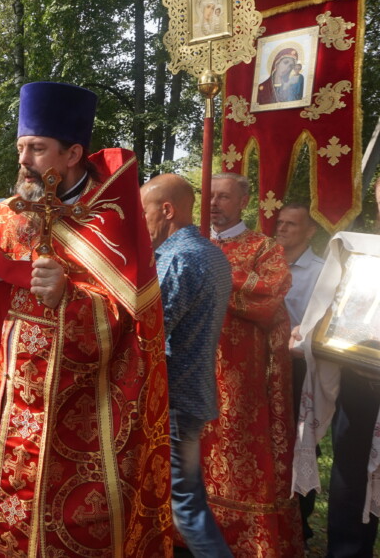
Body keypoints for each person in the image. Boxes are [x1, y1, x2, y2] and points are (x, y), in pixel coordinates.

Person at [0, 82, 171, 556]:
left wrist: (70, 299)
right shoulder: (14, 213)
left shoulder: (110, 219)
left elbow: (137, 322)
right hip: (16, 402)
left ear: (73, 153)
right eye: (20, 148)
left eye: (37, 148)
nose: (24, 160)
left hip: (88, 412)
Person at [204, 172, 302, 556]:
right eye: (209, 196)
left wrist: (211, 273)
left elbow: (269, 296)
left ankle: (242, 537)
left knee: (236, 452)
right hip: (191, 369)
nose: (214, 204)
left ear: (243, 202)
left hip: (238, 375)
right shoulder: (191, 243)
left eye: (224, 197)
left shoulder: (263, 248)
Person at [140, 174, 233, 556]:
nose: (140, 220)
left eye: (142, 210)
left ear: (167, 210)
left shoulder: (179, 257)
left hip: (174, 396)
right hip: (192, 391)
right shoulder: (211, 253)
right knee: (185, 496)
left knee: (186, 506)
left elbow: (152, 329)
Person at [293, 180, 380, 557]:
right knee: (350, 472)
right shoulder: (358, 253)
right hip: (359, 381)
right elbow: (334, 314)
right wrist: (314, 333)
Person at [274, 202, 325, 542]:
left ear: (310, 231)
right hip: (263, 367)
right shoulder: (265, 264)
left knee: (301, 442)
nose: (281, 228)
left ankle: (300, 522)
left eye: (291, 224)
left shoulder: (323, 271)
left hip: (299, 370)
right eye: (279, 222)